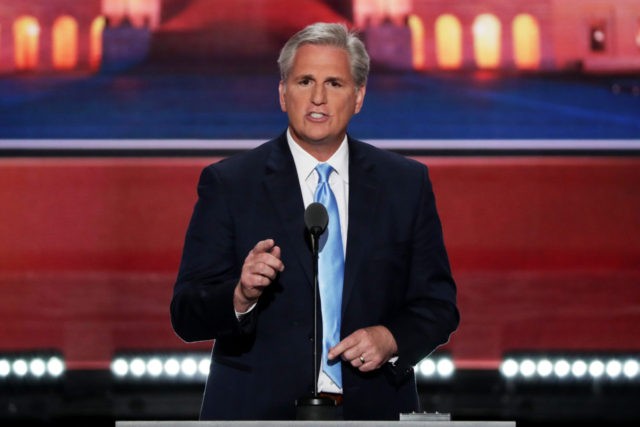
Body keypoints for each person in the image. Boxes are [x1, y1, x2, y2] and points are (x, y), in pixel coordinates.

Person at [170, 22, 459, 420]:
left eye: (335, 83)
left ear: (358, 96)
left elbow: (438, 306)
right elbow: (186, 313)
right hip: (257, 413)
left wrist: (391, 338)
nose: (318, 97)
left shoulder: (405, 184)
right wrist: (240, 296)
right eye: (305, 81)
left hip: (373, 409)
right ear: (282, 93)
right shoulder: (231, 184)